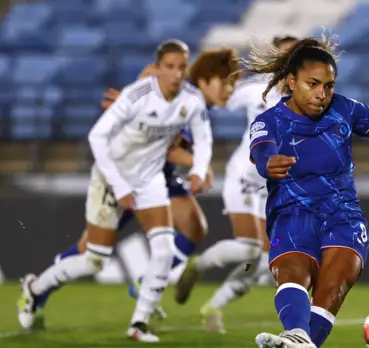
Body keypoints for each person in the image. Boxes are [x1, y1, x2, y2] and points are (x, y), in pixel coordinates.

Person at [245, 35, 369, 348]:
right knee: (295, 273)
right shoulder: (269, 122)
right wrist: (267, 164)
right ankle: (295, 333)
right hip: (292, 211)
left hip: (343, 214)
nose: (322, 94)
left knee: (330, 293)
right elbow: (261, 152)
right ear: (291, 82)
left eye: (328, 86)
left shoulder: (343, 109)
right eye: (313, 84)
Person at [22, 48, 240, 332]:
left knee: (194, 227)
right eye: (226, 83)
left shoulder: (195, 105)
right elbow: (169, 145)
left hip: (158, 177)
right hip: (129, 174)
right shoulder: (172, 90)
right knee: (90, 252)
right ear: (207, 79)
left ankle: (143, 290)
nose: (230, 91)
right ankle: (37, 290)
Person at [173, 35, 299, 334]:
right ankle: (197, 266)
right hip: (245, 176)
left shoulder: (308, 101)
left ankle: (213, 307)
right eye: (283, 57)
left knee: (259, 263)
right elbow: (214, 97)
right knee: (249, 249)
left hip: (274, 186)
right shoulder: (257, 91)